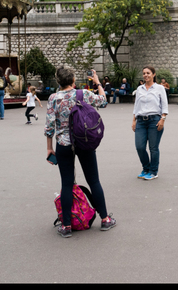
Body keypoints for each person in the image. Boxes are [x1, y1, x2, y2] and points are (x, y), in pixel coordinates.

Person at [45, 66, 116, 237]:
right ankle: (105, 219)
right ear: (73, 80)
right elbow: (103, 101)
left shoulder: (53, 98)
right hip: (83, 142)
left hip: (63, 144)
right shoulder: (82, 94)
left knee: (67, 184)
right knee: (94, 181)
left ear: (58, 80)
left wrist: (49, 148)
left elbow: (49, 126)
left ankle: (67, 226)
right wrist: (98, 83)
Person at [132, 66, 169, 180]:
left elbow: (164, 105)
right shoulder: (140, 89)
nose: (146, 75)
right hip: (141, 121)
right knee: (140, 147)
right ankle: (146, 168)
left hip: (154, 120)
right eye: (144, 73)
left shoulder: (159, 88)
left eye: (148, 73)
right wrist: (134, 120)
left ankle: (153, 171)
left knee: (153, 148)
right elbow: (137, 105)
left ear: (153, 74)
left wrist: (162, 119)